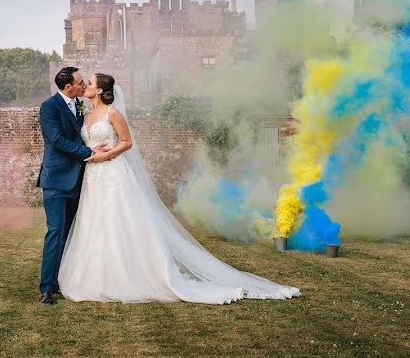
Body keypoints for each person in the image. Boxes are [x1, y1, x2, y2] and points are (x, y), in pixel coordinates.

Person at [57, 73, 301, 304]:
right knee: (95, 221)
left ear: (99, 89)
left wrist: (107, 154)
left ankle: (130, 275)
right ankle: (97, 275)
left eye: (89, 82)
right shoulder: (86, 115)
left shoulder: (113, 113)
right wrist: (91, 155)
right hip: (93, 176)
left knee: (119, 219)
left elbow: (127, 142)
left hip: (113, 173)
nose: (85, 85)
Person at [35, 66, 110, 305]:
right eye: (80, 82)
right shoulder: (50, 106)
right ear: (68, 87)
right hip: (56, 180)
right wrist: (88, 152)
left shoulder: (79, 107)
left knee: (71, 234)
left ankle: (62, 280)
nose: (83, 85)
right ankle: (46, 287)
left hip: (79, 180)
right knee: (55, 232)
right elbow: (56, 140)